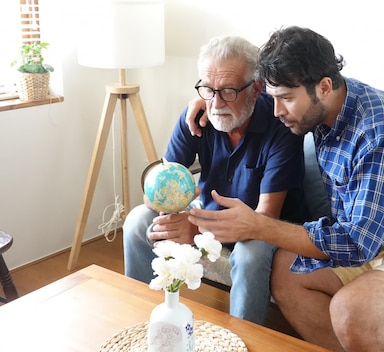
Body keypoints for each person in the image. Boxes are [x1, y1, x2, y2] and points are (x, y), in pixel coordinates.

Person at [186, 26, 384, 351]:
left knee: (352, 309)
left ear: (324, 87)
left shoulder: (379, 131)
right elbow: (253, 101)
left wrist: (259, 225)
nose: (277, 111)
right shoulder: (320, 108)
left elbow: (356, 243)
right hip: (381, 243)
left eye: (286, 99)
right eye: (274, 98)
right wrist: (210, 101)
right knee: (286, 271)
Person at [122, 35, 308, 325]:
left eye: (229, 91)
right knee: (137, 221)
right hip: (208, 215)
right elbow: (156, 190)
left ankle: (242, 339)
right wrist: (173, 211)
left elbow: (264, 218)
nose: (216, 103)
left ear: (257, 87)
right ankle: (142, 325)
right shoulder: (198, 115)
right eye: (207, 89)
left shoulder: (280, 127)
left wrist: (195, 230)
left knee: (251, 254)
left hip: (266, 228)